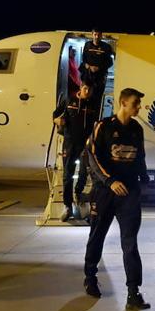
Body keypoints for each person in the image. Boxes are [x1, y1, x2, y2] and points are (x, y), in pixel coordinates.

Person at [83, 88, 151, 310]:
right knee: (97, 236)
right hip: (105, 193)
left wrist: (143, 177)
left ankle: (133, 292)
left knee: (130, 243)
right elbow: (92, 156)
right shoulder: (103, 126)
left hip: (129, 194)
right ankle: (90, 277)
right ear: (122, 103)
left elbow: (140, 156)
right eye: (135, 103)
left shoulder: (137, 129)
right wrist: (109, 180)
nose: (138, 107)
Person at [53, 82, 98, 222]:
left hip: (85, 144)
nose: (87, 91)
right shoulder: (68, 100)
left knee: (84, 173)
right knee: (68, 175)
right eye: (85, 88)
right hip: (70, 143)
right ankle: (67, 206)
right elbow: (55, 115)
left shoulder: (92, 105)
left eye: (90, 89)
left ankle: (78, 196)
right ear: (80, 88)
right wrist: (57, 120)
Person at [81, 29, 113, 111]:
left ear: (101, 35)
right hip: (87, 75)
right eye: (95, 34)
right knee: (85, 96)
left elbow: (110, 63)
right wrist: (87, 66)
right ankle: (83, 113)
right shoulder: (87, 45)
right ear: (92, 34)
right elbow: (83, 59)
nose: (96, 36)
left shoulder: (106, 47)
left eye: (99, 35)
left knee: (97, 98)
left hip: (99, 77)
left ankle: (95, 115)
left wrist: (99, 68)